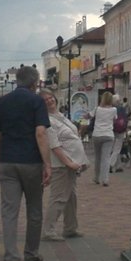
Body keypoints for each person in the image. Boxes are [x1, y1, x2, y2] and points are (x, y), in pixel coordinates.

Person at [0, 65, 52, 261]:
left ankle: (11, 258)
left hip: (8, 161)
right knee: (34, 210)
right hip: (32, 162)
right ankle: (31, 254)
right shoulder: (36, 102)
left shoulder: (2, 103)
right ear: (35, 83)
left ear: (17, 80)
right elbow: (41, 134)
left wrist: (0, 163)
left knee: (9, 211)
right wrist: (47, 163)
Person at [41, 89, 86, 241]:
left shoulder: (61, 116)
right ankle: (49, 230)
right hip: (61, 164)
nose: (49, 101)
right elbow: (55, 146)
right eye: (45, 100)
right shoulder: (46, 121)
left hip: (73, 161)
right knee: (59, 197)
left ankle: (70, 227)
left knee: (71, 197)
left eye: (50, 98)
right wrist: (68, 163)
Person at [90, 91, 118, 186]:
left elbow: (89, 116)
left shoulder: (97, 109)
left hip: (97, 134)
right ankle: (105, 179)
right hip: (108, 135)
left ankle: (96, 178)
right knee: (106, 158)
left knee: (97, 157)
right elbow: (114, 120)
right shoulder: (114, 109)